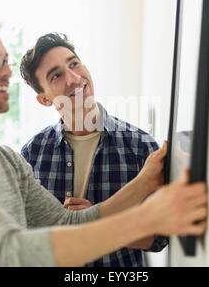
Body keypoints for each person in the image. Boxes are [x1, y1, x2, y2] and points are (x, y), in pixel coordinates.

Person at [0, 12, 208, 267]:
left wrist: (143, 183)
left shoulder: (9, 160)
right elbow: (7, 252)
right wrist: (144, 217)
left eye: (5, 60)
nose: (5, 73)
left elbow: (66, 223)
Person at [19, 33, 168, 266]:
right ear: (44, 99)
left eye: (74, 64)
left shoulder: (140, 147)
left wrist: (98, 223)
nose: (74, 78)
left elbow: (160, 236)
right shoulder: (31, 155)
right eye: (57, 75)